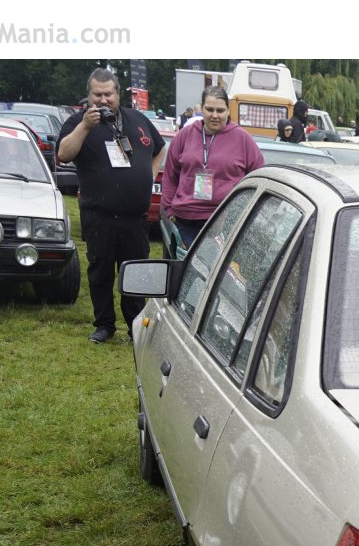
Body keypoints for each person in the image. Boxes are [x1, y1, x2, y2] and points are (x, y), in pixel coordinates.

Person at [57, 68, 165, 344]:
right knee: (101, 271)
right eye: (98, 94)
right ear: (89, 95)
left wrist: (149, 175)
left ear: (118, 94)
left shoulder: (137, 120)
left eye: (108, 94)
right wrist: (85, 126)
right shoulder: (77, 123)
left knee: (135, 273)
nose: (103, 100)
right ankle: (104, 324)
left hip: (134, 217)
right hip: (99, 215)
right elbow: (64, 153)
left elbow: (160, 148)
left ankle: (135, 325)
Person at [160, 86, 264, 250]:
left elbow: (259, 177)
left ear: (228, 111)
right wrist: (169, 209)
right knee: (188, 273)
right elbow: (169, 176)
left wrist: (244, 211)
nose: (215, 115)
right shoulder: (184, 136)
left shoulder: (243, 140)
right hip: (185, 222)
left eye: (220, 110)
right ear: (202, 109)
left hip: (226, 223)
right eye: (209, 109)